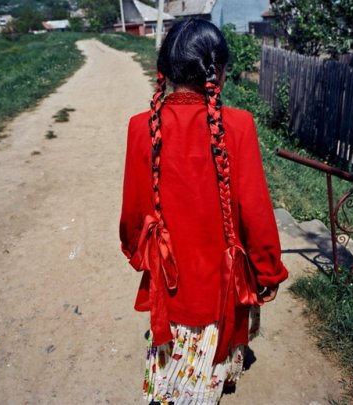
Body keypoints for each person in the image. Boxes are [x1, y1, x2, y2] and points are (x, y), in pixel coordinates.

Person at [119, 19, 288, 404]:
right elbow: (255, 212)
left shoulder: (140, 127)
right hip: (223, 288)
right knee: (204, 380)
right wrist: (267, 268)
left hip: (170, 283)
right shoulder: (239, 126)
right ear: (220, 71)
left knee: (172, 383)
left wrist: (137, 252)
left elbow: (133, 212)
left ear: (163, 71)